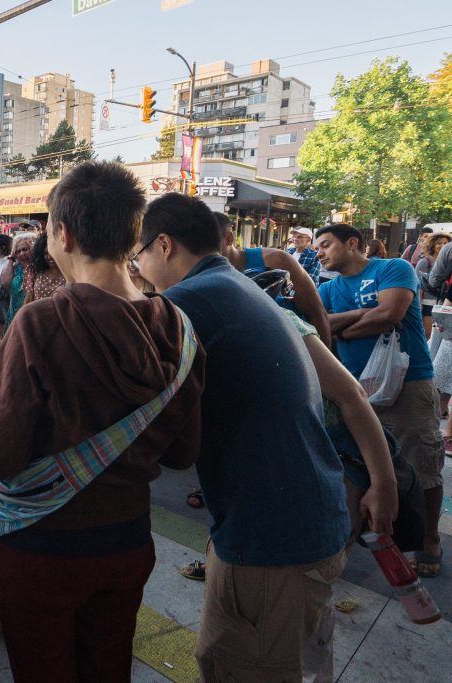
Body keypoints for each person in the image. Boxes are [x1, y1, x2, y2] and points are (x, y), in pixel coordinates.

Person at [0, 162, 206, 682]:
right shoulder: (179, 328)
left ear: (63, 233)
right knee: (108, 666)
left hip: (41, 545)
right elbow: (183, 453)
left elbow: (0, 455)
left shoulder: (41, 322)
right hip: (126, 539)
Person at [136, 193, 350, 680]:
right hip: (301, 518)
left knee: (235, 664)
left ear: (164, 245)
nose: (139, 267)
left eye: (139, 255)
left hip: (273, 539)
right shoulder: (231, 282)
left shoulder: (190, 300)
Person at [315, 224, 443, 578]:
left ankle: (429, 539)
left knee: (423, 462)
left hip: (409, 382)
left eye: (325, 244)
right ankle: (367, 533)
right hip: (353, 389)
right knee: (358, 465)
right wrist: (363, 317)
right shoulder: (327, 289)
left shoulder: (393, 269)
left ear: (352, 242)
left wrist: (342, 326)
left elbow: (390, 314)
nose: (320, 253)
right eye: (317, 248)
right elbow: (321, 330)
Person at [219, 218, 331, 343]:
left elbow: (317, 314)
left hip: (295, 351)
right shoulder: (200, 274)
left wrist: (323, 358)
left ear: (229, 238)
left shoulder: (276, 259)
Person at [415, 232, 450, 336]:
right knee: (428, 334)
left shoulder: (448, 262)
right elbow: (418, 285)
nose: (443, 245)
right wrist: (418, 304)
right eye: (439, 243)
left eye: (445, 243)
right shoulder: (425, 261)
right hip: (427, 303)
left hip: (442, 303)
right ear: (433, 245)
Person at [0, 231, 36, 326]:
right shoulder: (16, 268)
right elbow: (4, 283)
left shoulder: (40, 269)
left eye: (25, 249)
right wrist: (11, 258)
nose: (21, 254)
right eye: (18, 251)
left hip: (32, 319)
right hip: (14, 317)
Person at [24, 232, 66, 303]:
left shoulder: (68, 272)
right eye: (45, 253)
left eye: (52, 252)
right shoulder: (35, 271)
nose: (49, 257)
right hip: (37, 312)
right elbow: (29, 298)